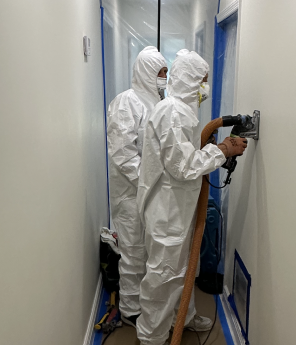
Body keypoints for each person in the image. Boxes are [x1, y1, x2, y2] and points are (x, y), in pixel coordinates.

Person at [136, 49, 247, 345]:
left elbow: (182, 155)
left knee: (185, 268)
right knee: (163, 278)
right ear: (189, 79)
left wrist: (207, 147)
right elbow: (183, 166)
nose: (205, 87)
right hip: (167, 213)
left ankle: (182, 317)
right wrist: (222, 150)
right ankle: (151, 338)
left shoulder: (182, 110)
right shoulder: (172, 111)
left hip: (178, 209)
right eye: (202, 80)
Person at [106, 46, 168, 327]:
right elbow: (122, 153)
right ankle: (131, 310)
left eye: (166, 73)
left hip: (153, 193)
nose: (164, 78)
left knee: (151, 251)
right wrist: (149, 179)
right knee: (132, 252)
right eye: (160, 73)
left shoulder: (158, 104)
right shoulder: (126, 103)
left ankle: (148, 304)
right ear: (146, 72)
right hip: (131, 195)